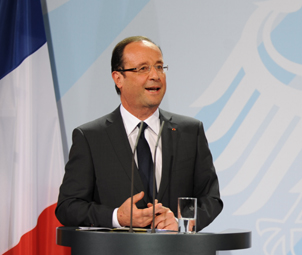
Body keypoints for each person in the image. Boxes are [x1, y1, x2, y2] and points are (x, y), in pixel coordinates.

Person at [56, 36, 223, 231]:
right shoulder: (91, 137)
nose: (155, 75)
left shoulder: (189, 132)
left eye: (159, 67)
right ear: (118, 78)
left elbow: (210, 198)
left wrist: (181, 223)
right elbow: (68, 207)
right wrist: (117, 216)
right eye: (143, 68)